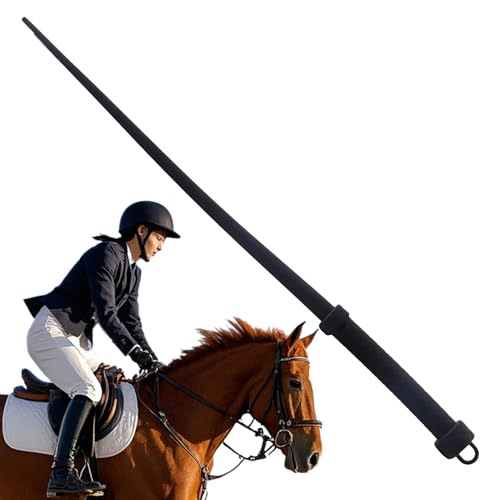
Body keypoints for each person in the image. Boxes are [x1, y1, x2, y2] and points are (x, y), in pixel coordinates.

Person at [24, 200, 180, 497]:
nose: (161, 246)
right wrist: (134, 352)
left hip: (75, 339)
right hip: (50, 331)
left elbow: (132, 323)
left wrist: (151, 359)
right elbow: (107, 314)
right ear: (142, 231)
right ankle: (61, 472)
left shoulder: (133, 273)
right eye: (160, 237)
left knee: (110, 383)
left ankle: (88, 466)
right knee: (88, 389)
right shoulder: (107, 254)